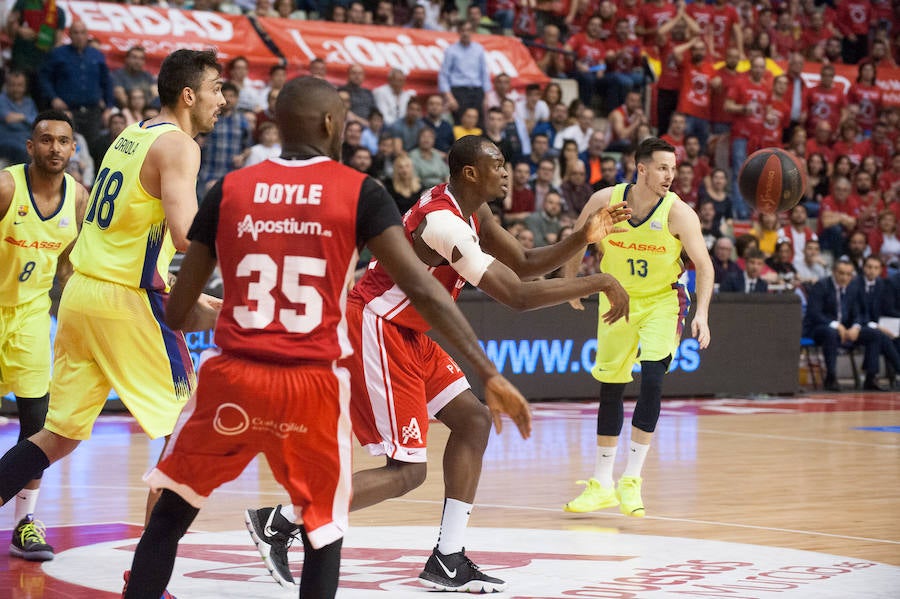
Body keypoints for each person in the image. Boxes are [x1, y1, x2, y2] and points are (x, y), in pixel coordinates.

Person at [121, 75, 530, 599]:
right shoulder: (361, 193)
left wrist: (229, 316)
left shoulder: (230, 189)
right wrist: (489, 372)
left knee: (169, 518)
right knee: (323, 530)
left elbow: (178, 312)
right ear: (331, 124)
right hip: (309, 384)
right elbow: (426, 295)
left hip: (234, 379)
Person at [245, 135, 632, 592]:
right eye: (498, 164)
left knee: (473, 420)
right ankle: (282, 520)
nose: (507, 171)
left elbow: (526, 264)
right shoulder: (443, 223)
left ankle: (447, 559)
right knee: (407, 471)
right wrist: (600, 280)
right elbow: (517, 297)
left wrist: (583, 239)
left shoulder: (474, 210)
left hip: (408, 330)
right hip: (376, 326)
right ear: (470, 173)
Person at [0, 51, 225, 586]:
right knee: (186, 434)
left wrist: (208, 305)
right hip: (125, 300)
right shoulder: (179, 146)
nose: (223, 99)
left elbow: (133, 230)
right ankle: (147, 582)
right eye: (216, 88)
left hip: (80, 294)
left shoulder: (133, 134)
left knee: (58, 434)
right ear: (189, 95)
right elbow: (187, 239)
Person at [562, 137, 713, 517]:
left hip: (662, 300)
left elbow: (705, 265)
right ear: (641, 168)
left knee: (653, 378)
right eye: (663, 168)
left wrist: (703, 314)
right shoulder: (604, 201)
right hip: (616, 299)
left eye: (674, 169)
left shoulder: (680, 214)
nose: (670, 176)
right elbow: (575, 242)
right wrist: (570, 286)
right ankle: (601, 484)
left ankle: (631, 478)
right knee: (611, 385)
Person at [0, 110, 88, 561]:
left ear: (74, 150)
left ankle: (24, 525)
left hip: (33, 315)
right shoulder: (6, 188)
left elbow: (73, 265)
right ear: (30, 147)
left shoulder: (79, 201)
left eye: (64, 141)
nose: (55, 148)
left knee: (37, 425)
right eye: (46, 140)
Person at [804, 258, 892, 392]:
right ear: (834, 272)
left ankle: (870, 377)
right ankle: (831, 377)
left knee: (875, 334)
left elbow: (859, 313)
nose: (845, 277)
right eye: (841, 273)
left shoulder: (853, 287)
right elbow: (814, 313)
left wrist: (856, 327)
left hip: (846, 329)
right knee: (831, 333)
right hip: (819, 329)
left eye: (848, 274)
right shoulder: (821, 286)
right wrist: (835, 325)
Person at [438, 21, 492, 124]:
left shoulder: (478, 49)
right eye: (463, 30)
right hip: (459, 91)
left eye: (468, 30)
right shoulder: (451, 50)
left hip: (477, 91)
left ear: (472, 32)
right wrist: (450, 98)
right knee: (460, 124)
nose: (465, 33)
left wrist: (486, 96)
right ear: (458, 32)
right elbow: (444, 75)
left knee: (479, 125)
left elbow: (484, 73)